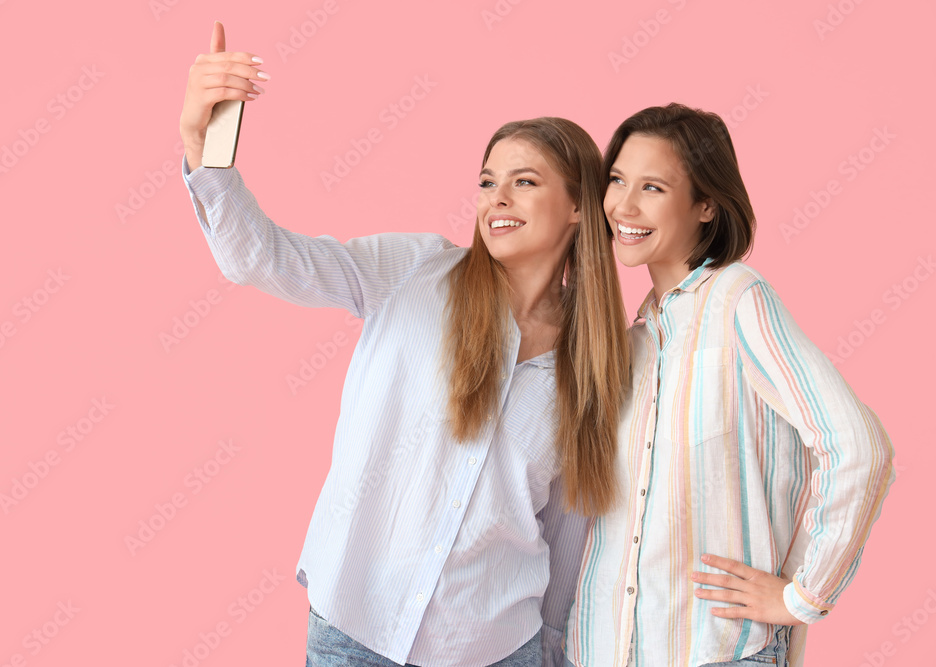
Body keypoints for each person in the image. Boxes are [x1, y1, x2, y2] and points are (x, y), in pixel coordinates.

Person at [179, 22, 630, 667]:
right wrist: (206, 145)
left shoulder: (591, 364)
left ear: (581, 206)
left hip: (498, 646)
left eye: (525, 182)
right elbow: (262, 258)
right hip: (356, 630)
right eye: (486, 180)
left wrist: (557, 652)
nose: (496, 197)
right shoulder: (414, 272)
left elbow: (566, 530)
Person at [563, 103, 895, 667]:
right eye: (617, 180)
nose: (624, 205)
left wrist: (805, 595)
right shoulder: (635, 339)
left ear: (706, 205)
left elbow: (861, 448)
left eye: (653, 187)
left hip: (713, 654)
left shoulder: (737, 299)